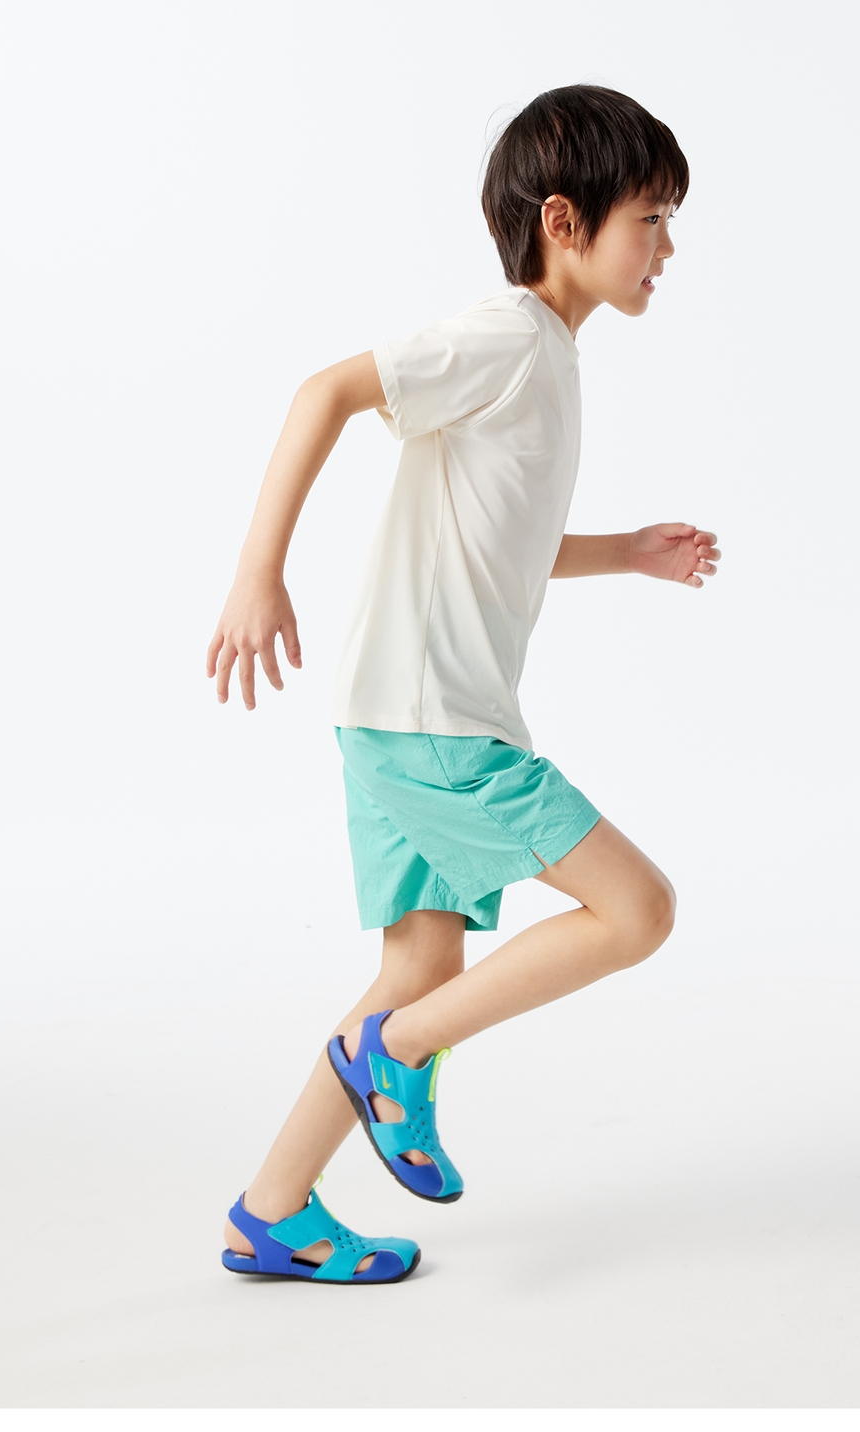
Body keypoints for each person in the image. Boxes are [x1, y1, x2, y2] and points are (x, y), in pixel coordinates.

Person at [207, 84, 720, 1283]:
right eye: (651, 219)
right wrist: (256, 572)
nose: (668, 247)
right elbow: (326, 390)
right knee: (637, 911)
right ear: (564, 222)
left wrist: (628, 552)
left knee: (415, 971)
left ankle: (272, 1212)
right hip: (437, 723)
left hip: (393, 717)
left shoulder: (547, 360)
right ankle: (401, 1054)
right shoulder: (509, 337)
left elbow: (507, 540)